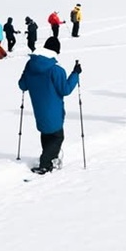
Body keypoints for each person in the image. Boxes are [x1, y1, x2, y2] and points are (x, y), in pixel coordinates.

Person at [17, 37, 81, 175]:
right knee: (57, 136)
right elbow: (65, 90)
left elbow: (22, 85)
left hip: (39, 110)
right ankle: (45, 163)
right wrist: (75, 74)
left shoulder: (30, 65)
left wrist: (26, 72)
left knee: (46, 133)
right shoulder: (56, 70)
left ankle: (50, 158)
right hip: (54, 111)